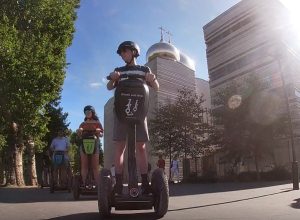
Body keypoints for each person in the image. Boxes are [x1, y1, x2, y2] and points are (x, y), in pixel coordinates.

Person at [107, 41, 159, 195]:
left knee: (141, 147)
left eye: (125, 51)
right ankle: (117, 183)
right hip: (121, 113)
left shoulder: (144, 69)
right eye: (121, 52)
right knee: (120, 147)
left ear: (134, 52)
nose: (123, 54)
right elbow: (110, 87)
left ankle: (144, 182)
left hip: (139, 112)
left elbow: (156, 87)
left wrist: (152, 79)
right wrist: (113, 78)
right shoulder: (119, 71)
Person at [77, 105, 103, 187]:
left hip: (95, 144)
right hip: (84, 144)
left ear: (92, 113)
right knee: (84, 165)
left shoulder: (97, 123)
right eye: (86, 112)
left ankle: (98, 184)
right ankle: (84, 183)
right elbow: (79, 135)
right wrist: (79, 131)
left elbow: (102, 134)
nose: (87, 113)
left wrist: (99, 132)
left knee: (95, 165)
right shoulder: (83, 124)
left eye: (89, 112)